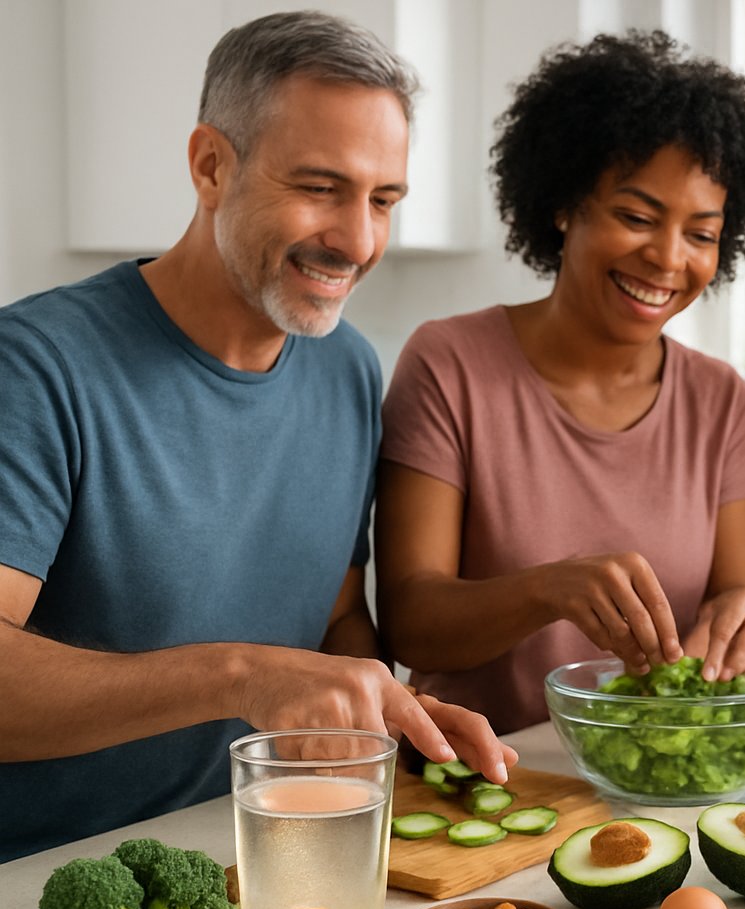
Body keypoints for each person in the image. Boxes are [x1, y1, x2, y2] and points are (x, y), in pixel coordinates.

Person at [0, 12, 517, 864]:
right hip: (42, 891)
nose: (358, 240)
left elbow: (340, 613)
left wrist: (388, 718)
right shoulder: (37, 370)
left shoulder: (347, 367)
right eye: (320, 187)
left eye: (383, 199)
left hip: (256, 864)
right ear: (211, 165)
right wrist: (240, 679)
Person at [376, 32, 745, 733]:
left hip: (652, 786)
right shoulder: (450, 365)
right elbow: (411, 626)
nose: (667, 258)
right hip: (480, 787)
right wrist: (548, 589)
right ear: (565, 204)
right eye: (637, 217)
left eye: (702, 233)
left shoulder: (723, 402)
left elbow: (736, 593)